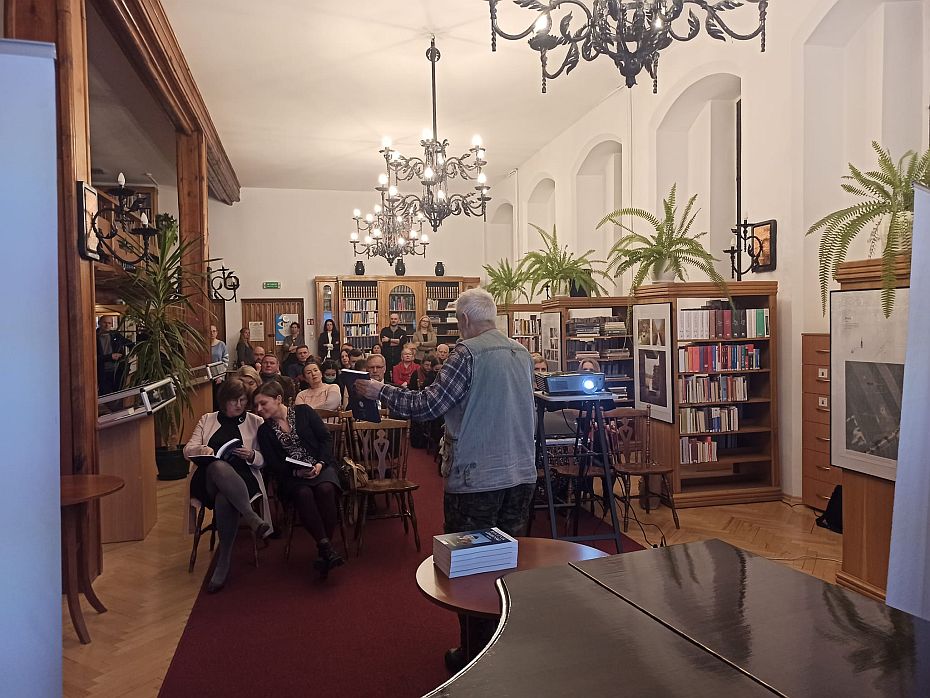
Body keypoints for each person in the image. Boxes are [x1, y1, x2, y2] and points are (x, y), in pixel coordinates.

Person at [354, 288, 537, 671]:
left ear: (465, 320)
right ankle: (508, 646)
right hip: (521, 475)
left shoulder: (465, 354)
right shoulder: (521, 353)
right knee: (507, 566)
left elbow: (427, 406)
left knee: (470, 571)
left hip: (477, 478)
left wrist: (379, 389)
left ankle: (474, 655)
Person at [183, 378, 272, 593]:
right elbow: (188, 450)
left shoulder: (255, 421)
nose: (239, 405)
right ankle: (250, 516)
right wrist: (203, 450)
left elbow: (264, 460)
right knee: (218, 467)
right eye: (234, 401)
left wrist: (252, 455)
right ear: (224, 401)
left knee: (225, 497)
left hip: (243, 480)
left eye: (242, 400)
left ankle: (223, 561)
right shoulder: (208, 419)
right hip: (207, 479)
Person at [253, 381, 344, 578]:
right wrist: (297, 473)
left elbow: (325, 439)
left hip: (320, 465)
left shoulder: (304, 412)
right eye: (256, 405)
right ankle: (326, 547)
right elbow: (273, 463)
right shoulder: (265, 431)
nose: (259, 409)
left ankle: (324, 548)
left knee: (326, 489)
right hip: (292, 474)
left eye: (263, 403)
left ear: (278, 399)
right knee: (303, 493)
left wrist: (320, 463)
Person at [96, 315, 132, 395]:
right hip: (102, 372)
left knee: (118, 394)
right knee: (105, 396)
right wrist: (110, 357)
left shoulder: (115, 335)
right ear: (99, 323)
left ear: (112, 324)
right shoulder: (93, 337)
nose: (107, 325)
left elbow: (130, 344)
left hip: (118, 371)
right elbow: (91, 358)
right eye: (105, 322)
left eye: (109, 323)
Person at [379, 312, 407, 377]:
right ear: (390, 320)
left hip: (398, 358)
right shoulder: (384, 330)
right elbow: (384, 343)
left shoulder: (402, 332)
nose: (393, 320)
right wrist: (398, 342)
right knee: (386, 377)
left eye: (395, 319)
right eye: (392, 319)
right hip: (386, 357)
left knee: (398, 376)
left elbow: (403, 341)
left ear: (398, 320)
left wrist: (389, 340)